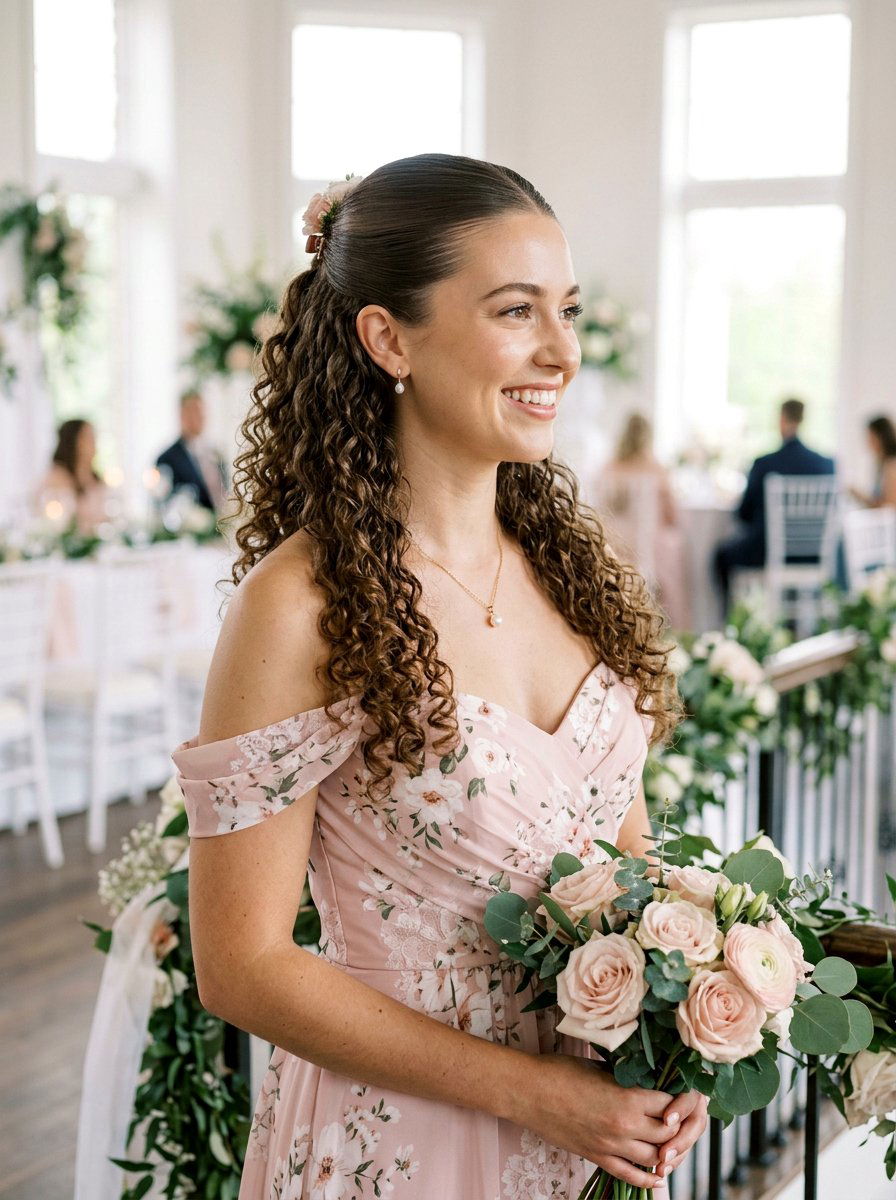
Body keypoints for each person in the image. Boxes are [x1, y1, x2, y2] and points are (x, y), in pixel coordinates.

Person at [171, 154, 706, 1198]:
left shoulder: (569, 572)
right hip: (400, 1145)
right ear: (387, 338)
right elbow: (241, 964)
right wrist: (531, 1093)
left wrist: (676, 1025)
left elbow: (623, 869)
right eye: (516, 312)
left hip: (577, 1142)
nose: (561, 350)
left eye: (567, 311)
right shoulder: (300, 603)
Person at [713, 397, 835, 611]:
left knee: (721, 555)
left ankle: (733, 619)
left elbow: (743, 514)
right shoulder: (825, 464)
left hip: (766, 551)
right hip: (812, 554)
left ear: (781, 419)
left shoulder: (765, 464)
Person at [595, 413, 691, 629]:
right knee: (673, 550)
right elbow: (671, 515)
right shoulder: (655, 469)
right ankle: (666, 628)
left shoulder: (608, 468)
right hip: (646, 551)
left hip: (613, 548)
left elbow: (599, 511)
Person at [155, 389, 228, 512]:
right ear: (181, 415)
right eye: (192, 411)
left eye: (200, 411)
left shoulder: (216, 453)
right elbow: (164, 503)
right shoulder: (167, 458)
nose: (198, 417)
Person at [34, 417, 110, 534]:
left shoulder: (96, 479)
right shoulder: (55, 478)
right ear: (73, 441)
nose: (94, 443)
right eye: (88, 437)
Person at [849, 415, 896, 508]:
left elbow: (889, 506)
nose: (867, 441)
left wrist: (861, 496)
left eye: (870, 436)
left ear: (880, 438)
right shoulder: (880, 464)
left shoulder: (891, 466)